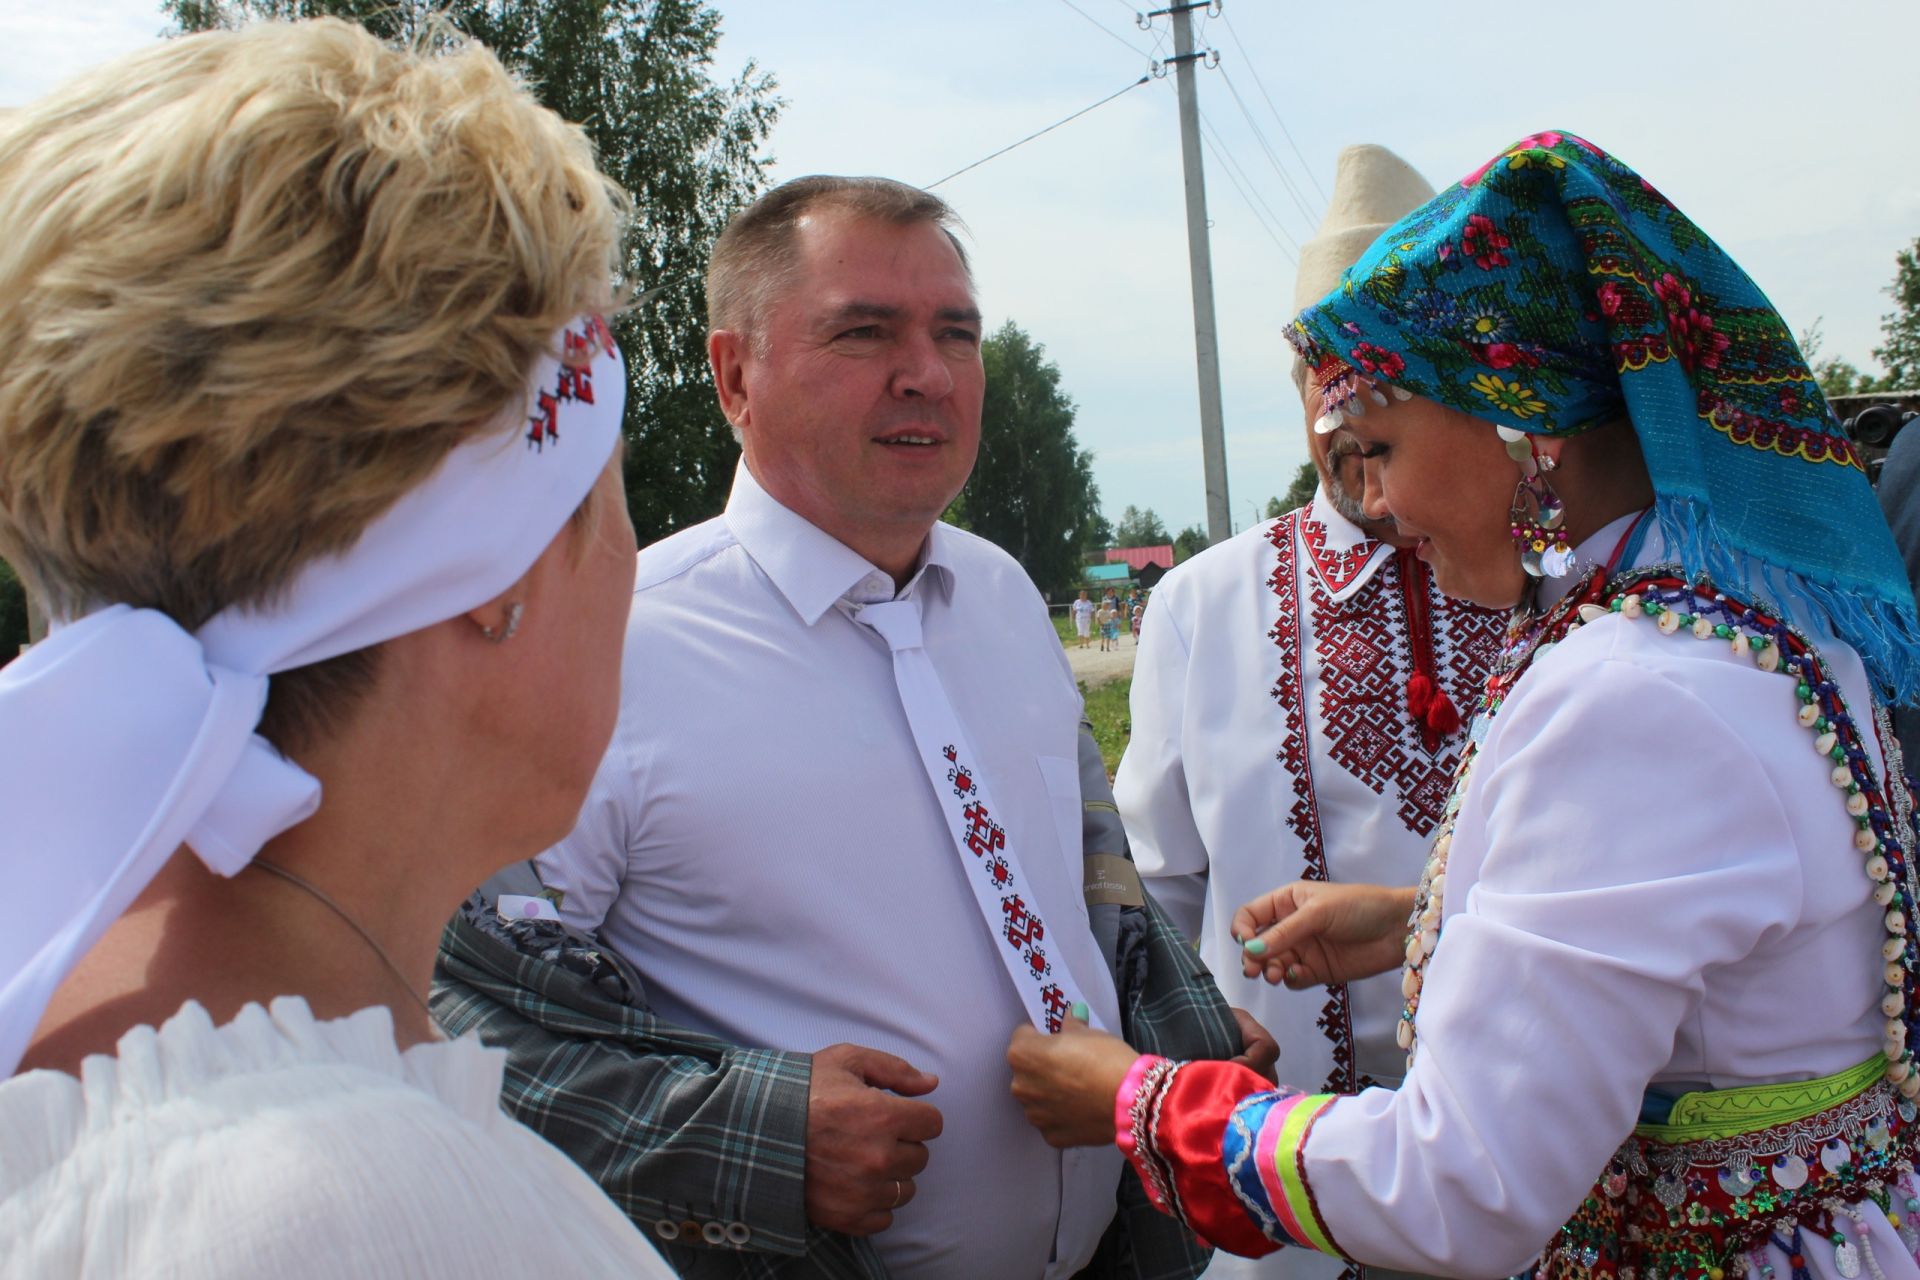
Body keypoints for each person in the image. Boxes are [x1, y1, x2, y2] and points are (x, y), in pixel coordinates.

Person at [1008, 130, 1920, 1280]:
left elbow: (1464, 1182)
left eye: (1382, 444)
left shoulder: (1628, 691)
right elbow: (1728, 942)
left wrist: (1142, 1099)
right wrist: (1415, 918)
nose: (1377, 501)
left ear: (1513, 413)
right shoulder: (1760, 629)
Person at [432, 175, 1260, 1280]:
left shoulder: (1006, 597)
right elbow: (452, 1012)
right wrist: (754, 1136)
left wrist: (1174, 1029)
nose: (927, 371)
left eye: (955, 332)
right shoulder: (617, 640)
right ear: (734, 373)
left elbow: (1088, 882)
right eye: (864, 331)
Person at [0, 20, 673, 1277]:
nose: (631, 561)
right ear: (497, 576)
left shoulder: (89, 1061)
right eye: (612, 500)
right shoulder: (358, 1215)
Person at [1114, 143, 1502, 1280]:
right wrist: (1178, 1045)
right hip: (1281, 1213)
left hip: (1536, 1195)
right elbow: (1155, 885)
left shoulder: (1566, 590)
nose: (1353, 420)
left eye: (1391, 382)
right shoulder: (1203, 604)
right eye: (1327, 378)